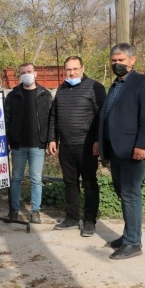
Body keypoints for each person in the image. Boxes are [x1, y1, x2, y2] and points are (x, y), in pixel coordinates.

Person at [97, 43, 145, 260]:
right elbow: (106, 117)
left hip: (134, 149)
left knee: (130, 194)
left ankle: (133, 243)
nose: (117, 64)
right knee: (123, 194)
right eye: (114, 61)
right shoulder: (115, 85)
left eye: (121, 60)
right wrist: (100, 142)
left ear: (132, 60)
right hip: (115, 150)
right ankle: (128, 236)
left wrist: (142, 145)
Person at [48, 56, 107, 236]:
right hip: (66, 146)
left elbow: (101, 117)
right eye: (68, 69)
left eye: (75, 69)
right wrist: (52, 139)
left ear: (82, 68)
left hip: (87, 146)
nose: (72, 72)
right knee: (70, 183)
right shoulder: (62, 89)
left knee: (89, 184)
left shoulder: (95, 87)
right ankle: (72, 218)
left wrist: (98, 140)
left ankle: (89, 221)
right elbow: (53, 116)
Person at [4, 63, 52, 224]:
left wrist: (51, 139)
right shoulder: (13, 95)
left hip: (38, 144)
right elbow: (6, 119)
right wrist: (8, 140)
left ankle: (35, 211)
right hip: (18, 144)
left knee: (36, 179)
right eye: (23, 72)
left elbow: (51, 120)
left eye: (29, 72)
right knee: (16, 177)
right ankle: (14, 209)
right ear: (20, 76)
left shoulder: (45, 94)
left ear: (35, 73)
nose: (26, 74)